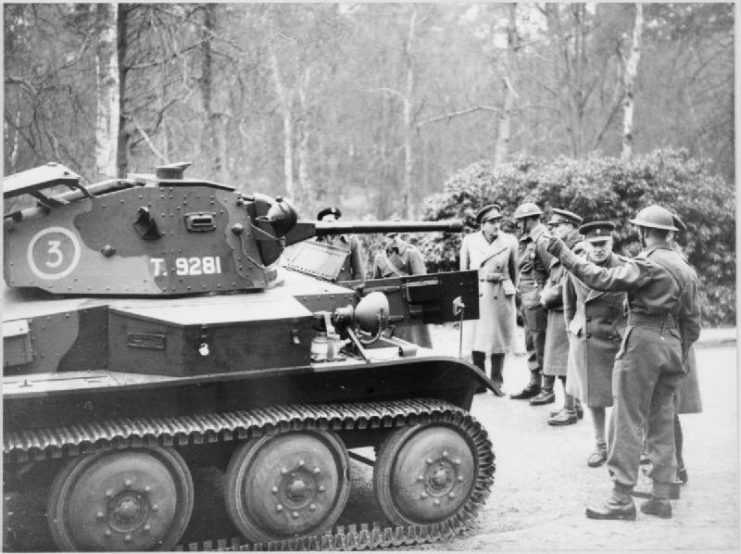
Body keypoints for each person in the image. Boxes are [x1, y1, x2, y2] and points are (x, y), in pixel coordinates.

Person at [539, 205, 701, 520]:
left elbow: (601, 278)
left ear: (643, 233)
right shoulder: (685, 268)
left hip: (642, 341)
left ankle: (620, 499)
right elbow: (693, 324)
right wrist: (677, 352)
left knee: (626, 419)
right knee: (662, 420)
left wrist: (563, 252)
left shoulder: (649, 264)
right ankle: (660, 496)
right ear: (670, 234)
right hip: (672, 344)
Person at [561, 221, 627, 462]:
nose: (599, 249)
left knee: (623, 396)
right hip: (587, 338)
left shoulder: (625, 267)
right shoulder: (575, 267)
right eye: (594, 244)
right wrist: (571, 327)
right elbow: (569, 301)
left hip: (616, 338)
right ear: (586, 245)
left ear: (612, 243)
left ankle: (621, 444)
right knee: (594, 398)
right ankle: (600, 445)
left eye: (604, 244)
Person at [459, 203, 519, 396]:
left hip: (499, 291)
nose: (497, 225)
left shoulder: (509, 241)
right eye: (492, 222)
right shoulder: (469, 241)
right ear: (482, 225)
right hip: (477, 291)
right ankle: (479, 379)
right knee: (477, 337)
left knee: (498, 337)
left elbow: (514, 270)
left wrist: (510, 291)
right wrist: (463, 295)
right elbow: (463, 272)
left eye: (498, 221)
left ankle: (496, 380)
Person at [533, 208, 585, 412]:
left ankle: (570, 408)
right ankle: (573, 405)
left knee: (567, 362)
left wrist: (547, 297)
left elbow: (572, 282)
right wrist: (546, 291)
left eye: (557, 226)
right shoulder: (561, 248)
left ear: (570, 226)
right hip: (558, 308)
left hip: (568, 308)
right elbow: (552, 276)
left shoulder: (578, 249)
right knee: (562, 361)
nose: (552, 229)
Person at [510, 202, 555, 401]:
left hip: (537, 301)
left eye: (521, 221)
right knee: (530, 343)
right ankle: (534, 383)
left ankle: (547, 389)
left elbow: (553, 272)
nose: (518, 225)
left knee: (541, 344)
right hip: (526, 300)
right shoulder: (527, 240)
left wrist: (544, 296)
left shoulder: (543, 240)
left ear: (530, 220)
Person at [372, 232, 432, 347]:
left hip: (410, 308)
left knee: (415, 343)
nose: (393, 239)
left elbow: (421, 282)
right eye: (389, 236)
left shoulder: (412, 254)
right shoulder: (379, 258)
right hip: (390, 309)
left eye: (396, 235)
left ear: (400, 236)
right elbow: (376, 287)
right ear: (384, 237)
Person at [316, 206, 365, 281]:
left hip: (343, 288)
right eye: (324, 223)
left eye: (330, 222)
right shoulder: (316, 241)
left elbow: (358, 272)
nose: (327, 226)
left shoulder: (350, 241)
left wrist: (357, 289)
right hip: (321, 289)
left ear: (337, 222)